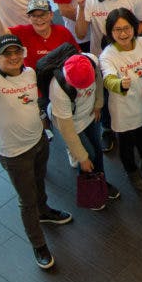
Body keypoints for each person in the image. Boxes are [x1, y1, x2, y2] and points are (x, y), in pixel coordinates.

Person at [0, 34, 72, 270]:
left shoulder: (30, 73)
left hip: (39, 142)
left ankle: (44, 211)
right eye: (7, 54)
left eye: (17, 52)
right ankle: (38, 244)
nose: (13, 57)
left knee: (39, 183)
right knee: (27, 200)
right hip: (14, 154)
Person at [100, 8, 142, 193]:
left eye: (127, 28)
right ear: (110, 31)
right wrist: (120, 84)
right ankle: (132, 172)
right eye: (117, 30)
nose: (123, 34)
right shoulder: (108, 55)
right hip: (124, 110)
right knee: (127, 144)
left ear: (134, 27)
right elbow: (108, 79)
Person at [45, 51, 120, 208]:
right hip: (73, 124)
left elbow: (99, 83)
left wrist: (98, 104)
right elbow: (67, 130)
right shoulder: (58, 89)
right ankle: (91, 193)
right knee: (88, 156)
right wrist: (82, 157)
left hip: (90, 115)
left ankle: (100, 181)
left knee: (97, 151)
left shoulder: (91, 61)